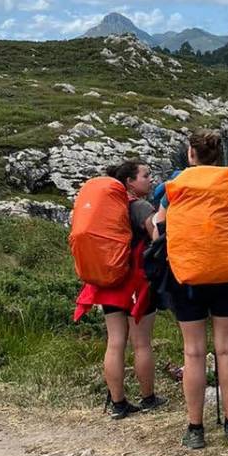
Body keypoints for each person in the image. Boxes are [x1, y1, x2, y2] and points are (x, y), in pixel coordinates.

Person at [156, 129, 228, 449]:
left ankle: (195, 429)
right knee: (227, 350)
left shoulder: (173, 188)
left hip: (186, 278)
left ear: (191, 154)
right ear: (218, 155)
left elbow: (157, 228)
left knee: (193, 352)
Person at [73, 160, 166, 419]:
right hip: (137, 283)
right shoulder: (140, 206)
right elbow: (157, 238)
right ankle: (148, 398)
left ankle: (118, 403)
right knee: (142, 343)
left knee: (115, 342)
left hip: (109, 281)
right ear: (129, 182)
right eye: (145, 175)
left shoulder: (109, 207)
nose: (151, 179)